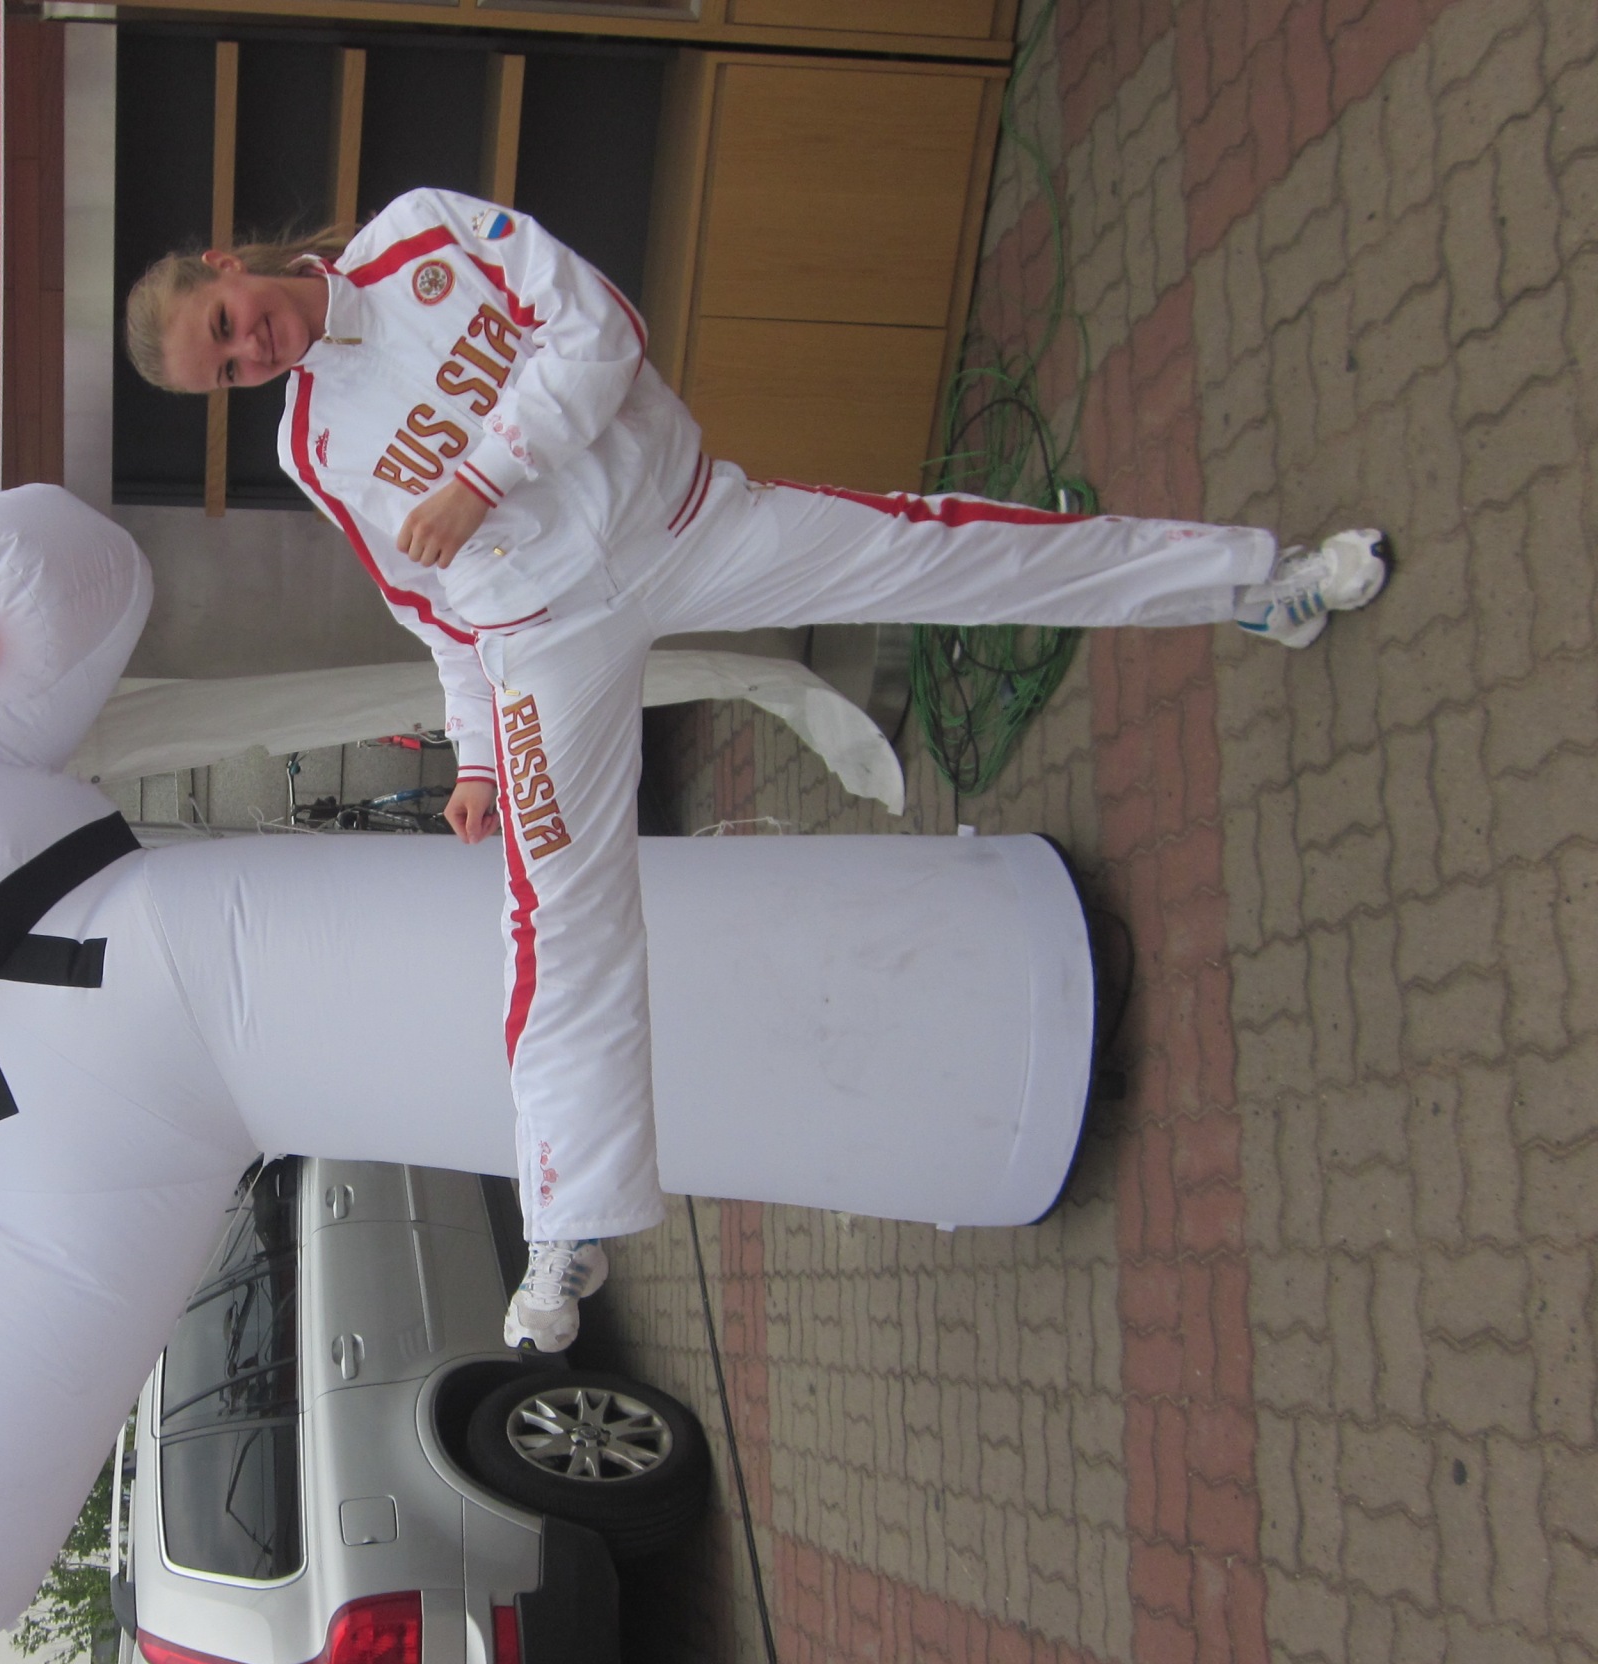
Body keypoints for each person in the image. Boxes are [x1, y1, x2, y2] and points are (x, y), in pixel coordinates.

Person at [124, 186, 1389, 1352]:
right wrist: (476, 757)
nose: (250, 355)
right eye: (223, 373)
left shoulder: (419, 234)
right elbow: (429, 603)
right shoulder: (313, 448)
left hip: (687, 527)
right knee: (554, 909)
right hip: (543, 638)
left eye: (226, 327)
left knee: (941, 554)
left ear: (230, 264)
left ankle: (1258, 584)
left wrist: (478, 475)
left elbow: (602, 334)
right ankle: (568, 1216)